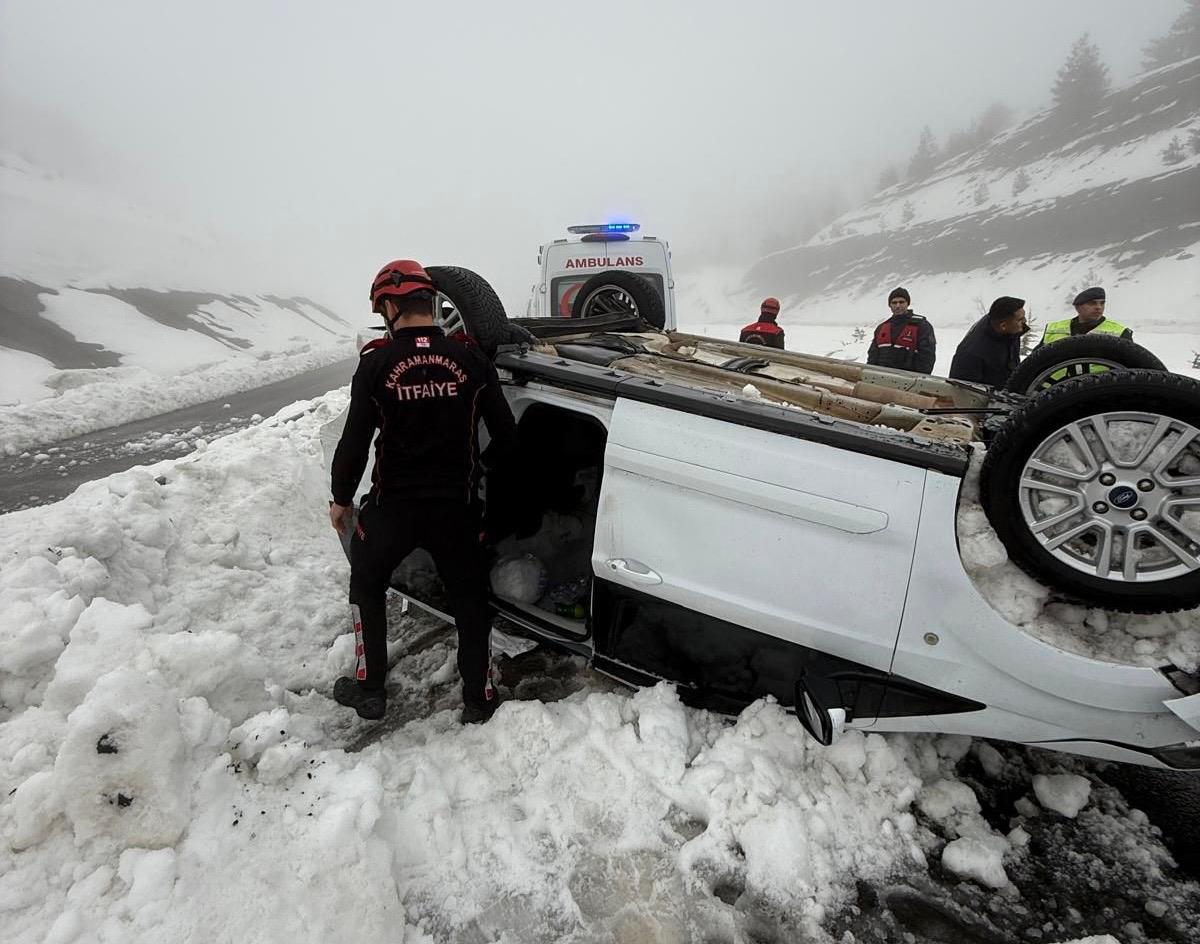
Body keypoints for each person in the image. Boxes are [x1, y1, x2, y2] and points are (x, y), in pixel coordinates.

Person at [328, 259, 518, 724]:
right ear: (431, 302)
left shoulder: (376, 365)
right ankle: (479, 698)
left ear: (390, 305)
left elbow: (354, 442)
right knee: (471, 603)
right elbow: (508, 440)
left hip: (393, 510)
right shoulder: (471, 359)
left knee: (367, 584)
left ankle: (371, 690)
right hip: (457, 510)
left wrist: (341, 497)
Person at [949, 296, 1029, 387]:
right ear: (1003, 325)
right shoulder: (972, 353)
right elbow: (962, 390)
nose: (1024, 322)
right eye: (1020, 320)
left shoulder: (1009, 329)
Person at [866, 287, 936, 374]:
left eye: (901, 302)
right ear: (890, 305)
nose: (898, 306)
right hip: (881, 378)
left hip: (909, 381)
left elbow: (927, 358)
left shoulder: (922, 326)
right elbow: (872, 356)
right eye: (894, 303)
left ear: (908, 303)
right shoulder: (881, 328)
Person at [1037, 287, 1132, 347]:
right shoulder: (1053, 329)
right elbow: (1035, 361)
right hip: (1061, 380)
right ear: (1078, 307)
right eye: (1092, 303)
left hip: (1101, 379)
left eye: (1102, 303)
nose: (1098, 307)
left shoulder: (1120, 333)